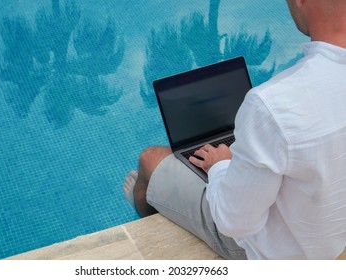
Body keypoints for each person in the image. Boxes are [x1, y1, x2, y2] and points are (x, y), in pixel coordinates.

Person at [123, 0, 346, 259]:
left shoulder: (273, 104)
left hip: (279, 254)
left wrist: (220, 166)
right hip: (332, 232)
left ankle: (147, 204)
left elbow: (235, 222)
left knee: (150, 160)